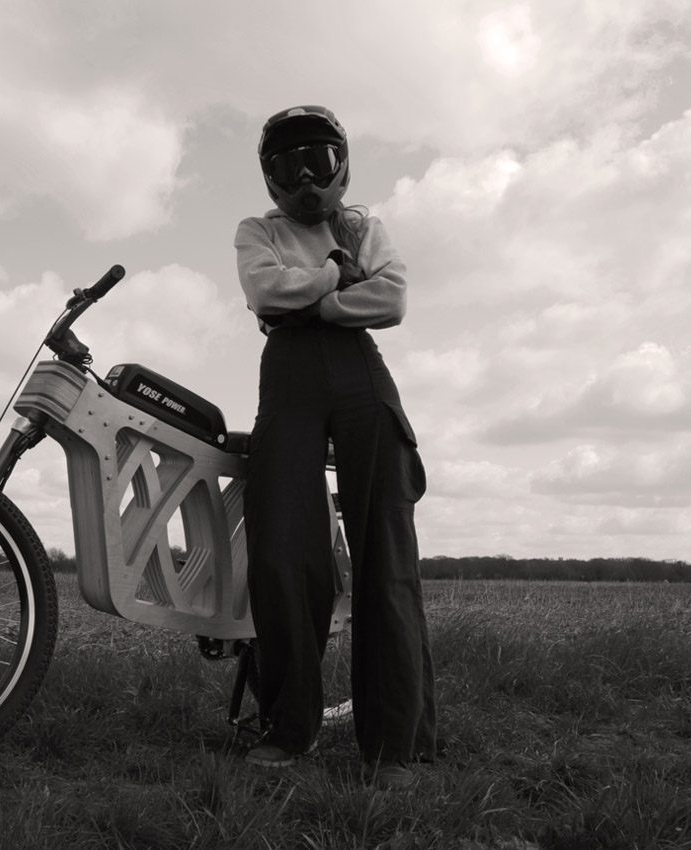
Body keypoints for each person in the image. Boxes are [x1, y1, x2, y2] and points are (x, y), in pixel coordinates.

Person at [234, 105, 436, 788]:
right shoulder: (258, 231)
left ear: (342, 164)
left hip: (359, 371)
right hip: (288, 374)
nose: (305, 180)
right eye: (288, 166)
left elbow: (393, 300)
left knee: (386, 552)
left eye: (318, 161)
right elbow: (266, 291)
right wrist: (335, 273)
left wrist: (309, 302)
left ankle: (394, 746)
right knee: (282, 549)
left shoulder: (364, 225)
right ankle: (288, 728)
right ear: (270, 176)